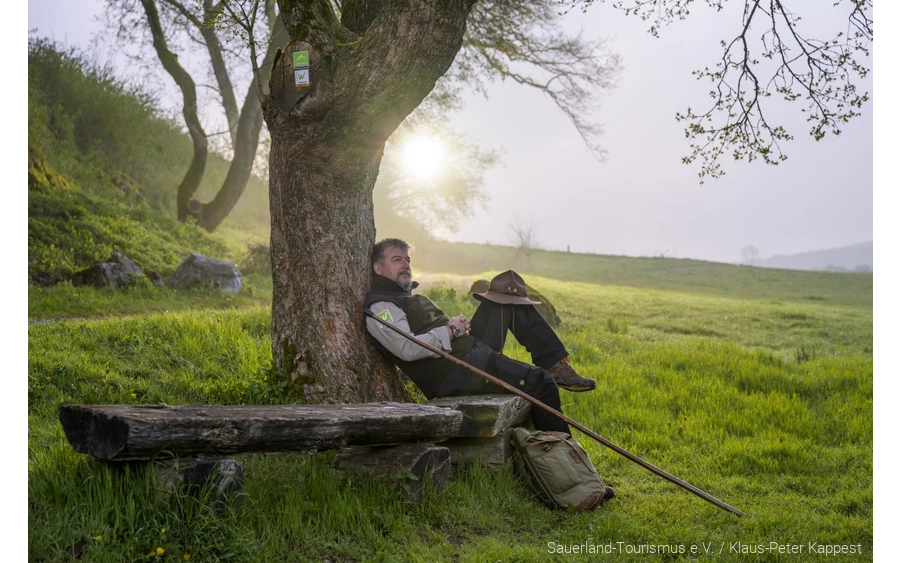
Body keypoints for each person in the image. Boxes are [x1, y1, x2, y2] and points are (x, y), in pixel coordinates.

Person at [363, 238, 598, 436]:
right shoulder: (382, 308)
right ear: (378, 268)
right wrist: (451, 330)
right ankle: (569, 473)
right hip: (456, 373)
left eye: (407, 260)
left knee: (506, 293)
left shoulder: (399, 298)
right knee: (541, 383)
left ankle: (557, 365)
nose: (405, 265)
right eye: (397, 260)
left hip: (469, 353)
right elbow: (407, 348)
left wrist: (457, 326)